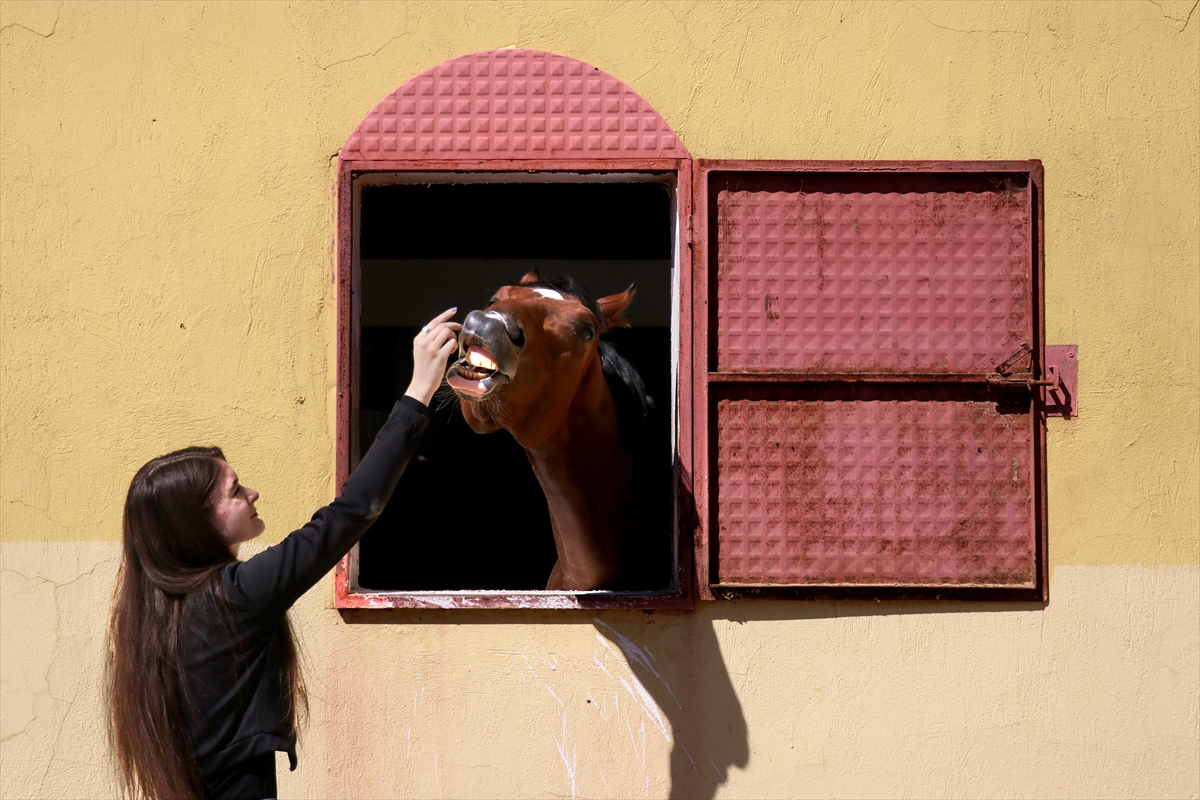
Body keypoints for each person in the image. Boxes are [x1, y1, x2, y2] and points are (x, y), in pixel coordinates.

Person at [106, 310, 460, 800]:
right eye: (234, 491)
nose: (252, 493)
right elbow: (351, 513)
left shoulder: (159, 613)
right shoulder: (233, 598)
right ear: (197, 520)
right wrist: (420, 388)